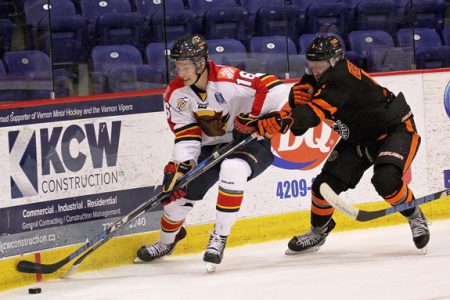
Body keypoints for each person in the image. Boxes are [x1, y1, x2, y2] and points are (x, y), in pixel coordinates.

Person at [135, 34, 292, 269]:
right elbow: (187, 134)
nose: (181, 72)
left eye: (186, 66)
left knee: (233, 169)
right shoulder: (176, 94)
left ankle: (219, 237)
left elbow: (272, 86)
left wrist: (257, 117)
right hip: (210, 147)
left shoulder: (228, 78)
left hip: (247, 142)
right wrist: (180, 166)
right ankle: (167, 241)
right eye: (177, 66)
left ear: (200, 63)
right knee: (178, 198)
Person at [281, 35, 430, 254]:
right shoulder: (317, 74)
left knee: (386, 180)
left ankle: (415, 216)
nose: (314, 71)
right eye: (311, 65)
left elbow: (308, 118)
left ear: (334, 61)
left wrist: (284, 118)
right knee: (323, 186)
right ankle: (318, 231)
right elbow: (299, 128)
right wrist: (295, 101)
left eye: (319, 66)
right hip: (360, 138)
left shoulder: (341, 80)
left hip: (394, 130)